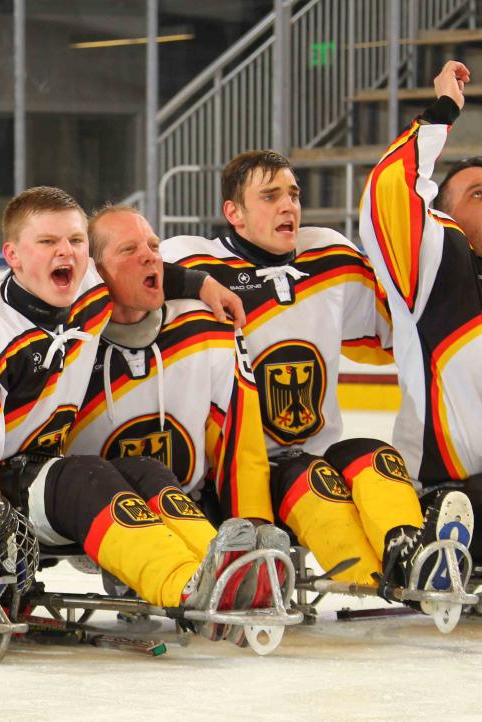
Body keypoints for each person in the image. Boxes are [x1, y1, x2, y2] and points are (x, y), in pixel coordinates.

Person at [0, 186, 283, 644]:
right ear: (12, 255)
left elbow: (142, 272)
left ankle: (228, 571)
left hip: (38, 473)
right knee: (85, 476)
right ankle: (185, 586)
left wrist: (203, 284)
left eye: (74, 241)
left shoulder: (87, 286)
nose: (66, 253)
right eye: (48, 242)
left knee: (149, 471)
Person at [161, 149, 473, 594]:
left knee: (377, 457)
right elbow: (124, 274)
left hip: (316, 449)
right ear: (234, 213)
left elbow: (403, 328)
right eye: (270, 196)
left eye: (293, 194)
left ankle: (412, 553)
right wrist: (195, 285)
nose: (288, 205)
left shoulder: (330, 256)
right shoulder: (194, 260)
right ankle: (383, 583)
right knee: (316, 485)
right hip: (236, 470)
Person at [68, 206, 273, 525]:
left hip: (190, 507)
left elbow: (238, 443)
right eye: (129, 249)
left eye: (153, 245)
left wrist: (254, 523)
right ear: (94, 270)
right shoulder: (66, 343)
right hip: (97, 515)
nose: (150, 257)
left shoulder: (207, 326)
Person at [358, 61, 482, 547]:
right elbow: (391, 189)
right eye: (478, 193)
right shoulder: (434, 261)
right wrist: (442, 111)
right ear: (441, 214)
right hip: (447, 493)